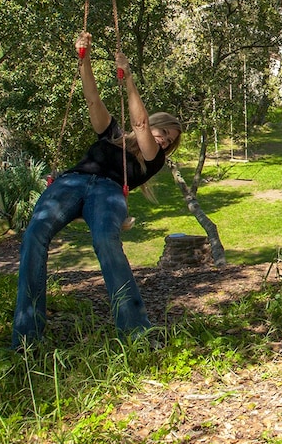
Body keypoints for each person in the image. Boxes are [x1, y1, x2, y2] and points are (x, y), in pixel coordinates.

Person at [12, 31, 182, 349]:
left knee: (106, 241)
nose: (165, 140)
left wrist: (128, 78)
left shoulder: (152, 159)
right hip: (70, 182)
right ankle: (26, 338)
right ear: (159, 123)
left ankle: (137, 333)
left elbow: (142, 125)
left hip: (108, 192)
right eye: (165, 132)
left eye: (170, 141)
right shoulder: (112, 134)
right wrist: (84, 57)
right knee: (34, 235)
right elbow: (92, 99)